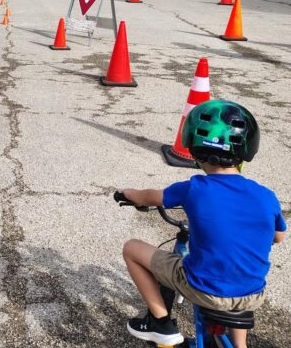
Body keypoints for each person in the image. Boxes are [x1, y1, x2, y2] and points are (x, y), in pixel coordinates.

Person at [119, 100, 286, 348]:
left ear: (195, 151)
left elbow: (149, 197)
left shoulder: (194, 188)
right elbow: (278, 237)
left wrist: (128, 193)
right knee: (239, 278)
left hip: (206, 290)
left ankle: (160, 324)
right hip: (253, 294)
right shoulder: (266, 195)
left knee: (132, 248)